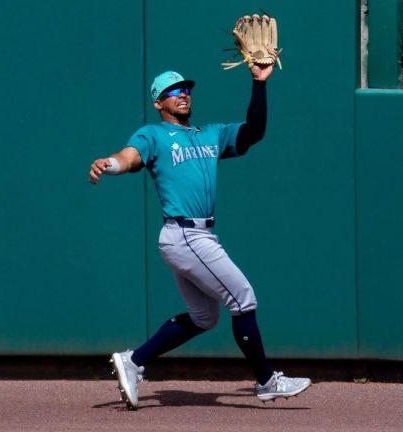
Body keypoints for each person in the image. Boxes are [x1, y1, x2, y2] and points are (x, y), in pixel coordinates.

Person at [88, 66, 311, 410]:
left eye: (186, 89)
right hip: (185, 234)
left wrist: (259, 83)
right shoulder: (154, 134)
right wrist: (110, 165)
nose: (183, 94)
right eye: (174, 91)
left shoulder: (211, 134)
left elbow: (254, 132)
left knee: (205, 317)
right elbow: (128, 157)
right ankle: (267, 380)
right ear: (159, 102)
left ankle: (133, 361)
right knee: (243, 298)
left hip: (196, 234)